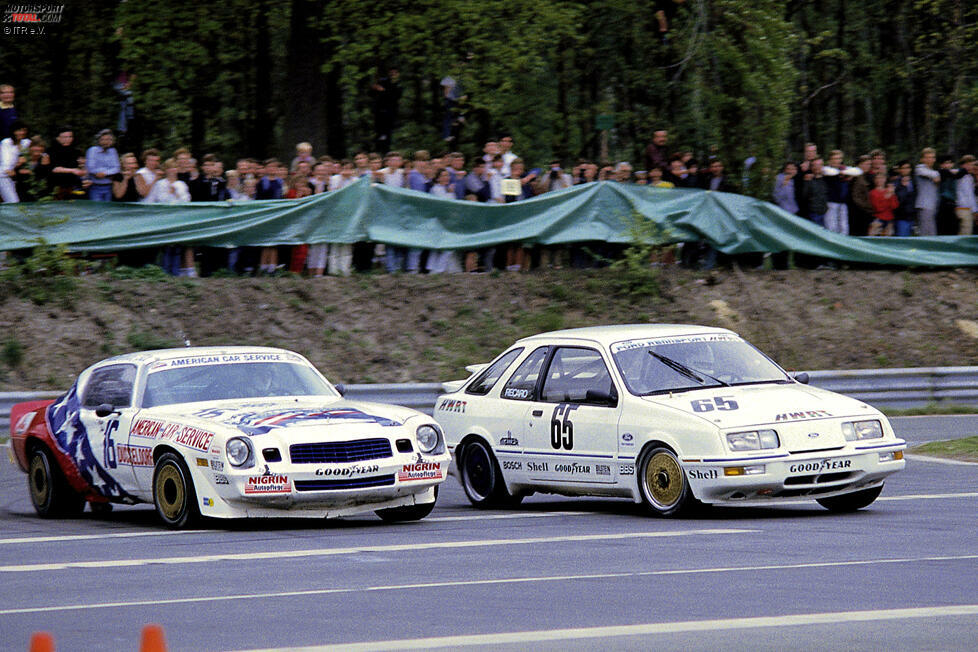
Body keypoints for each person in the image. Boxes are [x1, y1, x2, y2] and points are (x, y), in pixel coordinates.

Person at [145, 158, 191, 276]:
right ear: (166, 170)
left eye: (174, 167)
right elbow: (157, 199)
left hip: (178, 219)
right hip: (164, 218)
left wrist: (176, 193)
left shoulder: (181, 184)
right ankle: (165, 272)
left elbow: (186, 200)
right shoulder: (160, 184)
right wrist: (168, 194)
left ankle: (175, 273)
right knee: (166, 246)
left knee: (176, 246)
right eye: (170, 168)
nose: (172, 170)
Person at [47, 127, 86, 200]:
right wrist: (73, 170)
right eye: (65, 137)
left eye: (70, 137)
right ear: (58, 138)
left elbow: (80, 167)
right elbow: (53, 168)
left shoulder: (76, 151)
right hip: (56, 186)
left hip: (72, 187)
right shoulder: (51, 151)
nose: (68, 139)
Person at [85, 129, 121, 202]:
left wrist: (104, 173)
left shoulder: (113, 151)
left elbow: (117, 168)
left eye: (108, 139)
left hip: (109, 186)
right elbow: (91, 168)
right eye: (103, 139)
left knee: (107, 210)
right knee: (97, 209)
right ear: (99, 140)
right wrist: (108, 172)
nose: (105, 142)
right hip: (95, 186)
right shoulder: (92, 150)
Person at [912, 148, 940, 237]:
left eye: (932, 157)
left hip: (933, 205)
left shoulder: (933, 171)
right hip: (924, 205)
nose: (930, 160)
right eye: (927, 158)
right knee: (925, 233)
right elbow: (933, 175)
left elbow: (936, 176)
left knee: (932, 232)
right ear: (922, 159)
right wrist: (937, 176)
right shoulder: (920, 168)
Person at [0, 120, 29, 203]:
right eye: (19, 130)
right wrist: (18, 164)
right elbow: (6, 163)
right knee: (13, 201)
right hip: (4, 175)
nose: (22, 133)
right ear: (13, 131)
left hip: (18, 176)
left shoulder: (26, 143)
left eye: (24, 130)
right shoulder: (6, 142)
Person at [868, 172, 897, 236]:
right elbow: (878, 208)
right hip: (878, 219)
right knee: (874, 238)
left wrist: (892, 194)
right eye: (877, 178)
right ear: (874, 180)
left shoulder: (889, 190)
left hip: (889, 219)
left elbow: (894, 206)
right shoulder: (872, 192)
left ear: (885, 179)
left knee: (888, 240)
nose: (879, 180)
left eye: (881, 178)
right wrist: (886, 197)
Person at [892, 160, 916, 237]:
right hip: (901, 217)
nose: (905, 170)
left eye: (907, 167)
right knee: (902, 240)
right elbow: (899, 199)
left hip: (912, 216)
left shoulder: (914, 181)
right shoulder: (895, 183)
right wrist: (904, 187)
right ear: (899, 170)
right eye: (903, 168)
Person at [955, 155, 977, 236]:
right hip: (964, 208)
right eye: (971, 164)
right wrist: (975, 210)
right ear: (964, 165)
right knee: (965, 233)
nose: (972, 167)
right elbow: (969, 196)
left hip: (965, 208)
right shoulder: (963, 176)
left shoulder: (969, 177)